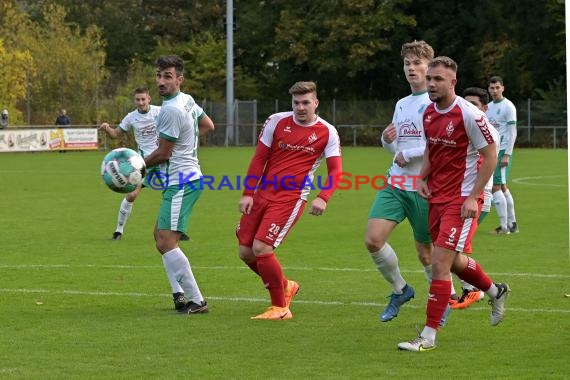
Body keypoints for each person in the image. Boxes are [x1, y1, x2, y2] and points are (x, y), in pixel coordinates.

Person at [398, 56, 510, 352]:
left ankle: (428, 336)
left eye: (438, 80)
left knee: (440, 264)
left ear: (453, 83)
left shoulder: (469, 114)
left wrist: (474, 197)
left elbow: (490, 156)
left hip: (462, 199)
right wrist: (424, 176)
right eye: (430, 78)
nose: (431, 84)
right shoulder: (429, 113)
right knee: (455, 262)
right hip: (437, 196)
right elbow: (432, 150)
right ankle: (495, 291)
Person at [237, 81, 342, 320]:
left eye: (306, 102)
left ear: (316, 103)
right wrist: (247, 193)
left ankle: (280, 308)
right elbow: (259, 158)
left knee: (261, 247)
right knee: (245, 252)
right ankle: (285, 285)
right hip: (263, 193)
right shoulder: (276, 121)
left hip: (291, 198)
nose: (301, 107)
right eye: (296, 103)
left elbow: (336, 171)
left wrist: (323, 197)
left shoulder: (327, 131)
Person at [365, 40, 451, 323]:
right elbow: (395, 148)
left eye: (417, 63)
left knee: (427, 255)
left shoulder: (437, 103)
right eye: (407, 64)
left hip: (424, 189)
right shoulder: (402, 104)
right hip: (395, 184)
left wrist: (409, 152)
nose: (412, 68)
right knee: (373, 240)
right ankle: (400, 289)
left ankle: (441, 299)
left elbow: (440, 146)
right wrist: (385, 140)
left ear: (429, 66)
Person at [143, 55, 215, 314]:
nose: (161, 81)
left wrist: (138, 167)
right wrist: (188, 144)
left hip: (181, 181)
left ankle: (197, 301)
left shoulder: (171, 110)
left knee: (164, 241)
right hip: (187, 178)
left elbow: (163, 153)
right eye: (159, 76)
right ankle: (179, 295)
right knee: (159, 235)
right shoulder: (187, 100)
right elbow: (207, 125)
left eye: (168, 76)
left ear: (179, 79)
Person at [448, 87, 500, 310]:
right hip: (456, 195)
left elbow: (484, 163)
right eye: (465, 103)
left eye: (474, 104)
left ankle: (475, 290)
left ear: (484, 108)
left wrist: (474, 195)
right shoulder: (463, 125)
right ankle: (471, 290)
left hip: (476, 197)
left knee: (450, 251)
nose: (468, 108)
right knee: (446, 249)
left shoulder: (487, 131)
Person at [487, 76, 518, 234]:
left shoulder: (508, 106)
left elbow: (512, 132)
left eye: (497, 87)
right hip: (492, 151)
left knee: (495, 187)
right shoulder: (488, 107)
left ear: (502, 88)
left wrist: (507, 154)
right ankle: (512, 225)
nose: (494, 91)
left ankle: (504, 227)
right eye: (491, 88)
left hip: (502, 151)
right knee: (503, 186)